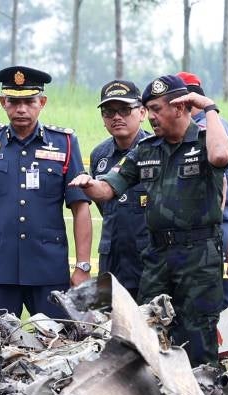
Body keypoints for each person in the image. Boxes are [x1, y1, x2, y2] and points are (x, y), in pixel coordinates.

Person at [70, 74, 228, 366]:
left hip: (198, 257)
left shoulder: (204, 141)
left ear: (180, 108)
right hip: (157, 257)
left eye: (157, 109)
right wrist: (88, 184)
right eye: (149, 109)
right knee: (150, 332)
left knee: (197, 336)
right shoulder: (146, 150)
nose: (152, 117)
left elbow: (221, 156)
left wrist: (209, 107)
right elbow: (109, 187)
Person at [0, 66, 92, 319]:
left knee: (58, 344)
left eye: (29, 101)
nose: (21, 109)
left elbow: (80, 206)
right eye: (14, 101)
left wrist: (82, 266)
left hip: (48, 270)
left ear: (42, 102)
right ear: (2, 102)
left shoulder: (65, 143)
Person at [178, 71, 228, 310]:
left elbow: (219, 183)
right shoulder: (223, 125)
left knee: (215, 305)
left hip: (212, 230)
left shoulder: (200, 132)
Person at [88, 79, 150, 300]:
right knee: (111, 328)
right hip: (112, 256)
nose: (116, 117)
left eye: (125, 110)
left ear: (142, 112)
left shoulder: (154, 151)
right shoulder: (99, 155)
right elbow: (103, 206)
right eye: (109, 111)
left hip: (147, 259)